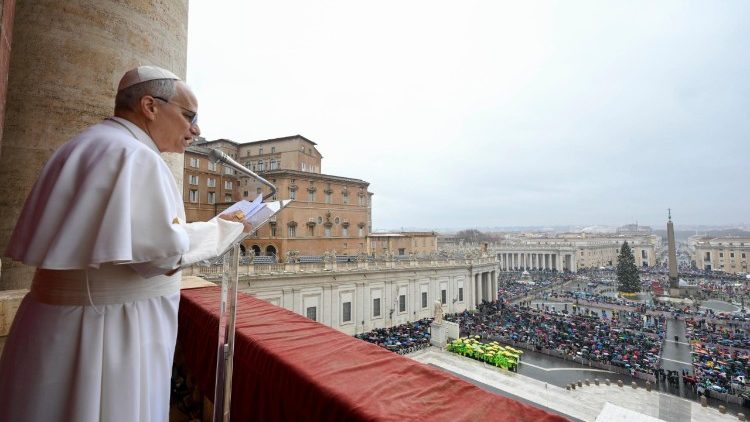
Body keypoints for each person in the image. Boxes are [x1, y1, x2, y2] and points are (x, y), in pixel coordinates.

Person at [0, 66, 249, 421]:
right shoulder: (137, 155)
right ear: (150, 106)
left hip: (52, 326)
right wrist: (224, 230)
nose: (196, 130)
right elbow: (159, 255)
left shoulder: (80, 145)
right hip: (106, 334)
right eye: (189, 116)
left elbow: (138, 238)